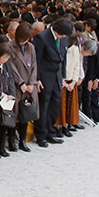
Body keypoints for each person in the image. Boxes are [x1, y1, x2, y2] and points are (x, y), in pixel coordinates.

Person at [31, 18, 73, 148]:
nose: (64, 37)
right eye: (63, 34)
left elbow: (63, 56)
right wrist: (37, 79)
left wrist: (64, 76)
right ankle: (41, 134)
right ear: (57, 30)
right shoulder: (42, 37)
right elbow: (37, 60)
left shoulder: (64, 39)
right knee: (44, 105)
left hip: (57, 75)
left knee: (55, 103)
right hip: (45, 75)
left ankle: (51, 131)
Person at [7, 22, 39, 152]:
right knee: (14, 114)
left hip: (29, 84)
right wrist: (21, 83)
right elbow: (11, 67)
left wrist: (32, 82)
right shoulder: (10, 46)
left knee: (26, 113)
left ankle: (22, 140)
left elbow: (35, 65)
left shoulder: (31, 47)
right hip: (16, 85)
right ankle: (11, 140)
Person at [55, 34, 85, 136]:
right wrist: (62, 81)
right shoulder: (60, 48)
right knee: (60, 106)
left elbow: (77, 65)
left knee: (70, 105)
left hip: (71, 80)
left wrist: (74, 81)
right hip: (62, 80)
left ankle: (67, 125)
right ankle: (58, 126)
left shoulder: (75, 49)